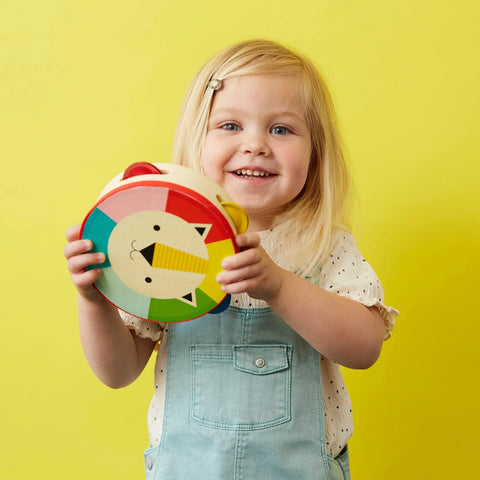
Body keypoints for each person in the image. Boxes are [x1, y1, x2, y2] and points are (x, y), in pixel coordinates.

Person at [64, 39, 398, 480]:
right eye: (229, 125)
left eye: (281, 129)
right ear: (197, 139)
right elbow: (118, 371)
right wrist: (94, 301)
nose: (255, 145)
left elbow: (365, 347)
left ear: (315, 153)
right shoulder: (165, 245)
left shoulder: (324, 245)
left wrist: (279, 286)